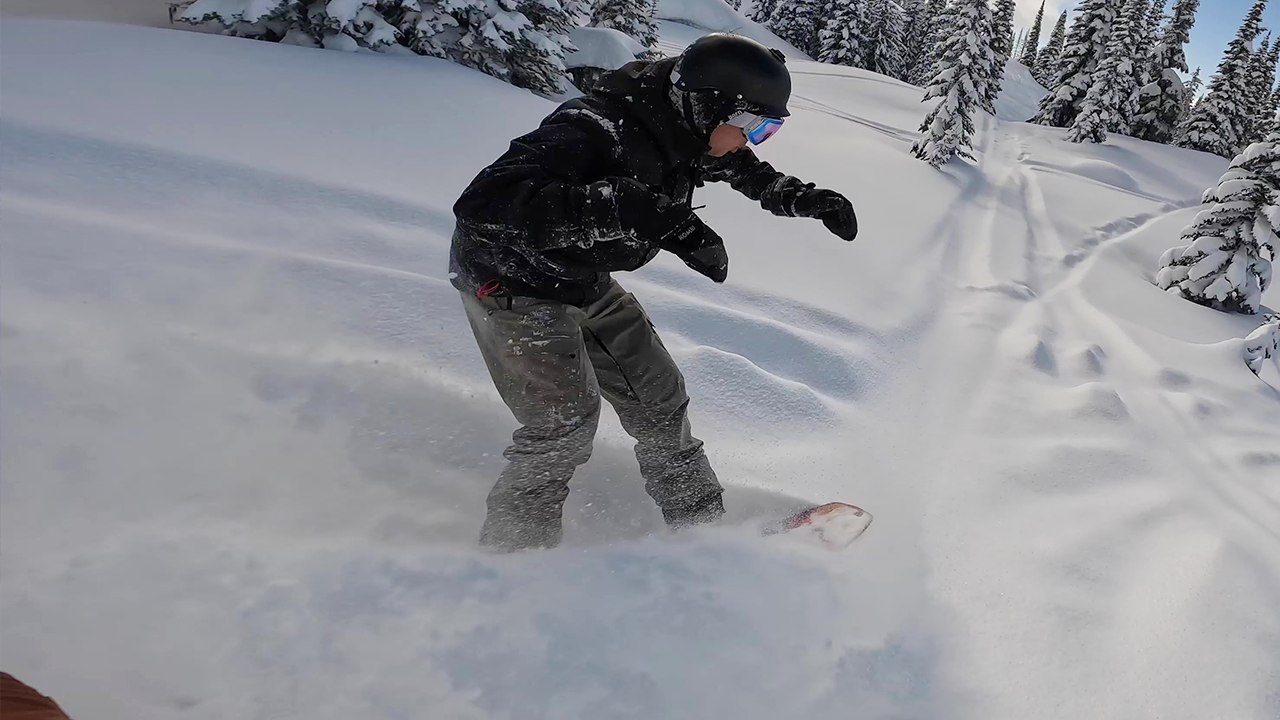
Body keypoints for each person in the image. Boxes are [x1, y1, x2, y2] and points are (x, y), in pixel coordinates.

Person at [450, 33, 858, 551]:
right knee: (564, 425)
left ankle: (700, 530)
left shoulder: (681, 123)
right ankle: (512, 555)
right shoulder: (592, 128)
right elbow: (483, 206)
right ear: (710, 106)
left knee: (659, 399)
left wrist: (795, 197)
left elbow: (727, 160)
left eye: (768, 129)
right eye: (754, 126)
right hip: (513, 280)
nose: (753, 141)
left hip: (583, 278)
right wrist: (640, 210)